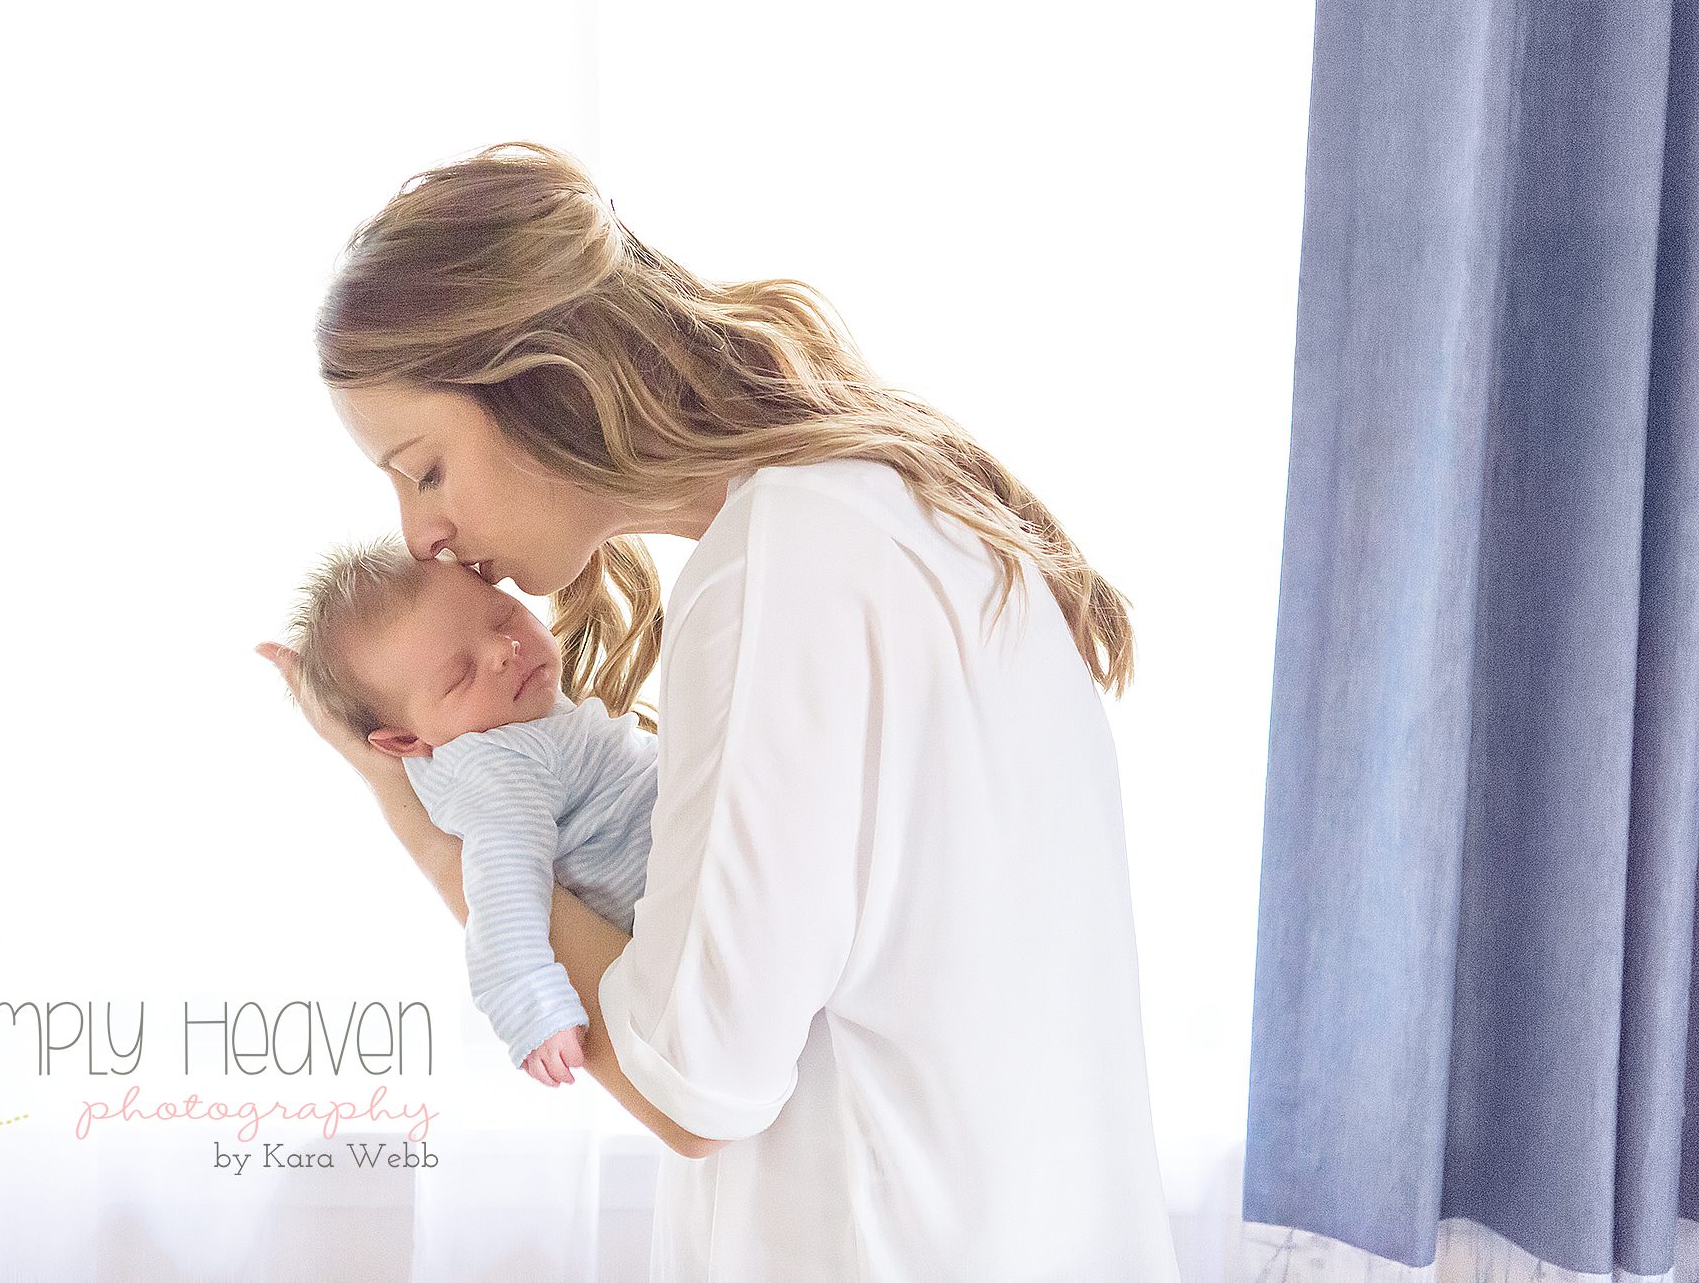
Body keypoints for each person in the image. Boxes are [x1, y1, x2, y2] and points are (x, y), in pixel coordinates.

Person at [257, 141, 1182, 1281]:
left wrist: (423, 819)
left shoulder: (778, 568)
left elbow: (690, 1081)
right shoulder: (897, 504)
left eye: (425, 468)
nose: (419, 534)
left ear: (540, 381)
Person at [281, 536, 658, 1089]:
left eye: (503, 616)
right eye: (460, 676)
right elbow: (503, 884)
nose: (503, 651)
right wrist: (529, 999)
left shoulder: (506, 718)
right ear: (406, 740)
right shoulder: (494, 765)